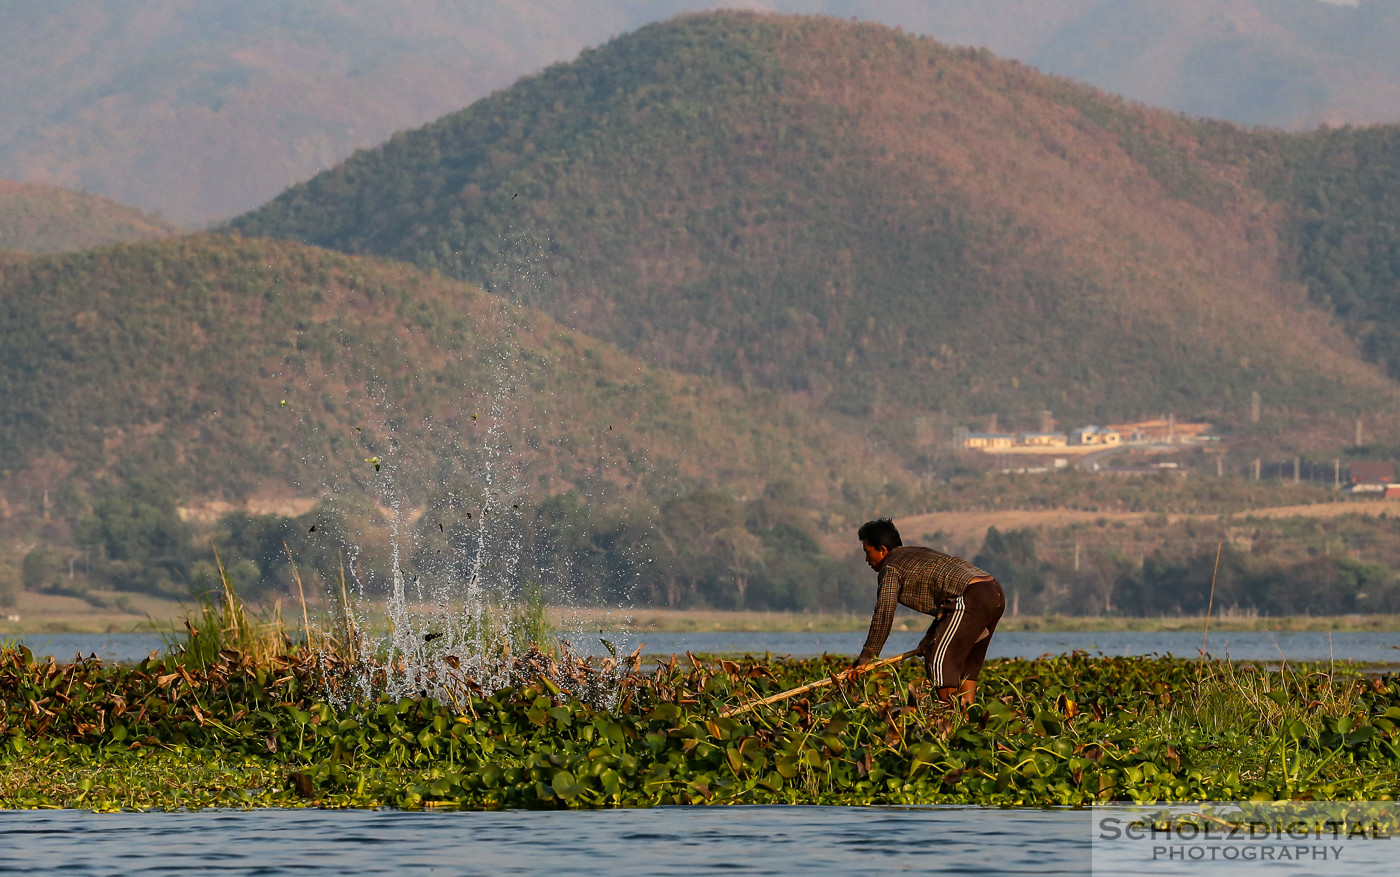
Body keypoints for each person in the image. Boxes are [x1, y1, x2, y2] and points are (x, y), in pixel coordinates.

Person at [849, 518, 1005, 706]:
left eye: (867, 552)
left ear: (882, 550)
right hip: (993, 591)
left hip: (972, 596)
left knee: (939, 661)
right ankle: (968, 722)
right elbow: (947, 606)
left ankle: (953, 718)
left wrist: (865, 657)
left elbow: (884, 614)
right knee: (965, 663)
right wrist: (929, 637)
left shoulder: (890, 566)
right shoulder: (915, 554)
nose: (866, 559)